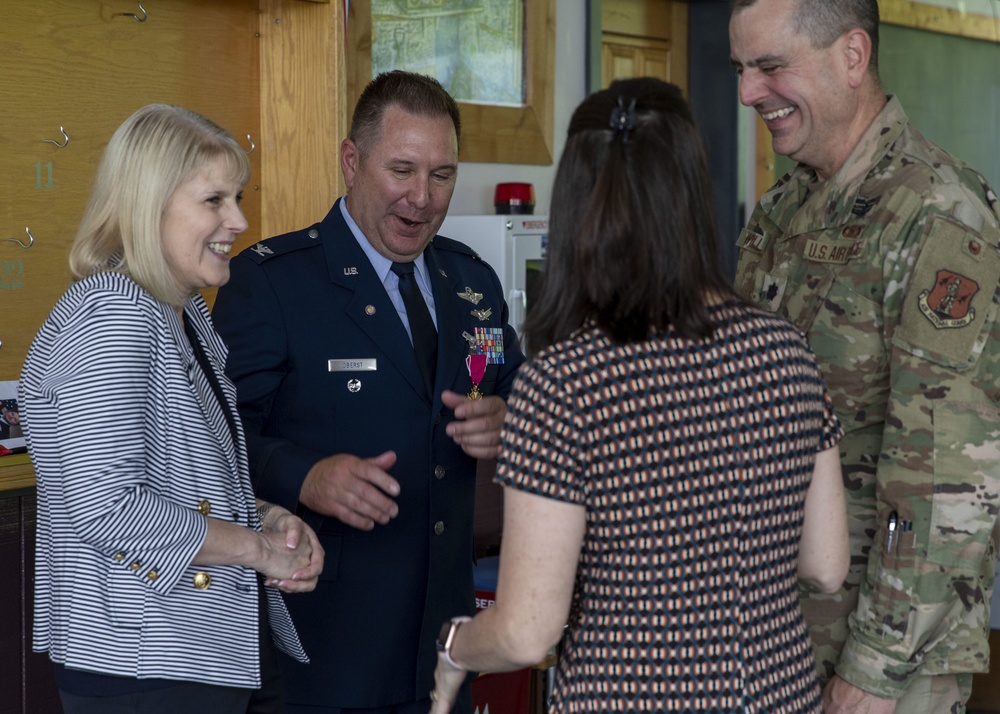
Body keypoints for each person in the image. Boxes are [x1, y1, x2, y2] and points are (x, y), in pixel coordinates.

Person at [428, 77, 850, 714]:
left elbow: (525, 631)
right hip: (777, 696)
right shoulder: (786, 351)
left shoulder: (566, 382)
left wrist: (457, 647)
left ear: (574, 207)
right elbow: (825, 566)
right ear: (690, 194)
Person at [211, 70, 526, 714]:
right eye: (402, 170)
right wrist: (303, 477)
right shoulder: (273, 284)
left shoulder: (472, 282)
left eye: (441, 176)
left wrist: (509, 419)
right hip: (324, 652)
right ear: (351, 162)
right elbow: (213, 441)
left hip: (442, 650)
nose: (421, 198)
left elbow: (523, 396)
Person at [729, 1, 1000, 711]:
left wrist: (875, 667)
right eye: (741, 69)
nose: (747, 93)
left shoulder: (937, 213)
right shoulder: (781, 211)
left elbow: (947, 476)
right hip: (774, 635)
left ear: (852, 57)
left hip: (881, 656)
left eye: (769, 67)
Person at [18, 104, 324, 714]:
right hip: (144, 662)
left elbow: (176, 480)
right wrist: (255, 549)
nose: (238, 220)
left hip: (196, 653)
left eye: (236, 197)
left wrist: (262, 517)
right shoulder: (113, 312)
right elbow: (106, 505)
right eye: (214, 200)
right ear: (146, 204)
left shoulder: (178, 314)